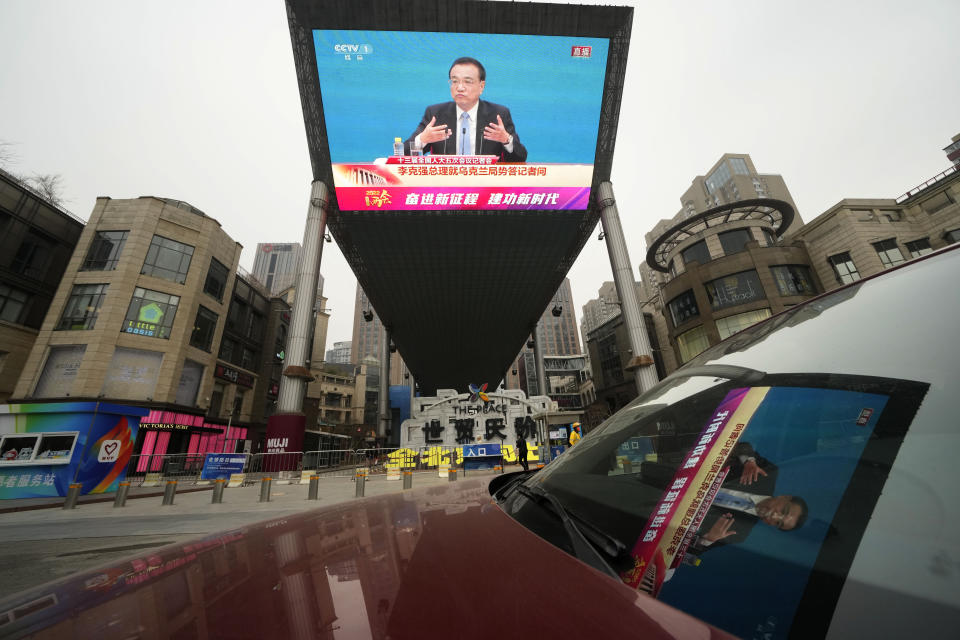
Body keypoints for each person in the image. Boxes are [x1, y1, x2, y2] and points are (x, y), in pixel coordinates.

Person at [641, 442, 808, 554]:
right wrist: (749, 461)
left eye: (779, 523)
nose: (775, 516)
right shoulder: (766, 474)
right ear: (785, 497)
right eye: (784, 511)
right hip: (664, 470)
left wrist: (707, 540)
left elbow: (684, 551)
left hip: (647, 507)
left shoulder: (738, 534)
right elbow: (741, 445)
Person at [405, 57, 527, 162]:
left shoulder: (498, 114)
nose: (460, 87)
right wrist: (422, 140)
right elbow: (404, 154)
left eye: (467, 82)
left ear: (481, 86)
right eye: (454, 81)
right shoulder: (435, 114)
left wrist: (506, 140)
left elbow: (520, 157)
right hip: (445, 184)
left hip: (486, 184)